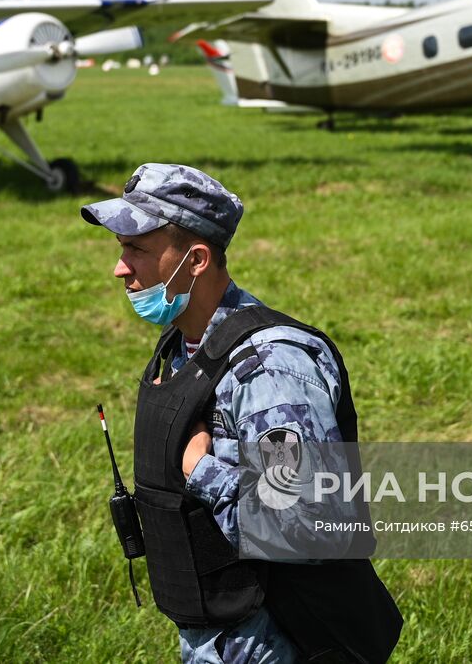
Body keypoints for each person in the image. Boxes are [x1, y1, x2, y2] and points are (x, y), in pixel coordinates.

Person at [82, 163, 401, 664]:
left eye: (137, 249)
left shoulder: (269, 371)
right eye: (122, 249)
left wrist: (200, 471)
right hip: (222, 636)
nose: (120, 268)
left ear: (197, 259)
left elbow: (307, 527)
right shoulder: (189, 344)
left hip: (279, 642)